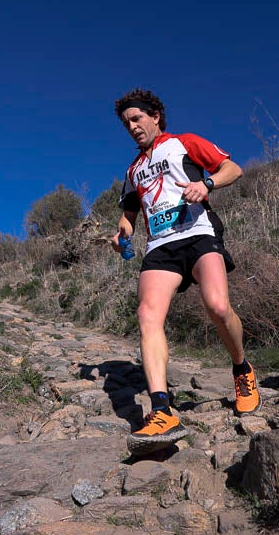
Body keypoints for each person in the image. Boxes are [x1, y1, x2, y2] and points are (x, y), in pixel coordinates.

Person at [110, 88, 259, 456]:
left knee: (218, 306)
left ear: (155, 116)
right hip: (160, 246)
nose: (132, 127)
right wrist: (121, 235)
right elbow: (129, 215)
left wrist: (204, 184)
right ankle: (162, 410)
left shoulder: (183, 143)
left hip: (198, 232)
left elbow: (232, 169)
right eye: (126, 123)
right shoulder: (133, 171)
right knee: (147, 315)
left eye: (137, 119)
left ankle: (242, 369)